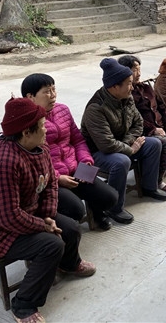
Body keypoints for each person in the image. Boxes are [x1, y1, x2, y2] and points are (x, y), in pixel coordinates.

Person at [0, 97, 96, 323]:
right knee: (52, 245)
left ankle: (69, 264)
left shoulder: (39, 147)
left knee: (71, 228)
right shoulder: (2, 163)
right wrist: (43, 226)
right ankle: (23, 304)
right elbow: (8, 217)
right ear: (26, 132)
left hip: (28, 211)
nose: (46, 130)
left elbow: (50, 182)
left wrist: (48, 215)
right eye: (42, 126)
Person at [21, 73, 118, 231]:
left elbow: (78, 140)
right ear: (30, 97)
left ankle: (97, 213)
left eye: (54, 89)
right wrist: (57, 178)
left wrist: (85, 161)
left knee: (110, 197)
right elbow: (30, 160)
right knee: (76, 209)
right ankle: (58, 227)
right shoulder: (27, 123)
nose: (53, 95)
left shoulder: (63, 110)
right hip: (51, 178)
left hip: (76, 169)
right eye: (47, 91)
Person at [81, 58, 166, 225]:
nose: (132, 87)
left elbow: (138, 123)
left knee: (154, 144)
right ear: (114, 86)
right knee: (121, 161)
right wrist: (130, 149)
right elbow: (106, 144)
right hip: (98, 152)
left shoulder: (126, 97)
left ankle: (149, 186)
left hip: (123, 143)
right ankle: (114, 207)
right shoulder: (96, 108)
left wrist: (128, 142)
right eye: (128, 83)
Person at [118, 55, 166, 184]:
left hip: (162, 126)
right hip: (146, 132)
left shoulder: (146, 88)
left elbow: (161, 106)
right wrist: (153, 129)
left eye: (139, 69)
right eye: (134, 70)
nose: (138, 74)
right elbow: (133, 120)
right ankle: (157, 180)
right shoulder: (124, 94)